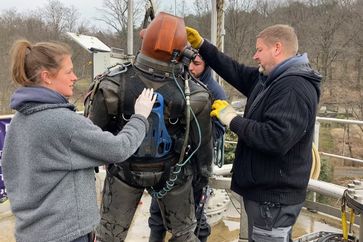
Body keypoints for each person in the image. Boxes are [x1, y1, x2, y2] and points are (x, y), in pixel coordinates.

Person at [1, 39, 156, 242]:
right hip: (67, 234)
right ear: (46, 77)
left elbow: (12, 173)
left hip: (31, 232)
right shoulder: (63, 122)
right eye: (68, 72)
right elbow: (119, 149)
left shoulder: (21, 120)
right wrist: (140, 117)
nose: (75, 77)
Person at [186, 24, 322, 241]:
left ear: (277, 48)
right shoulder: (270, 79)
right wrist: (203, 46)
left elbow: (275, 138)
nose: (255, 56)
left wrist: (232, 119)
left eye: (259, 50)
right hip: (265, 196)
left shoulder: (293, 86)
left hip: (274, 200)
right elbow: (236, 71)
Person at [86, 12, 214, 242]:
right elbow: (203, 147)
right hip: (173, 173)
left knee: (108, 237)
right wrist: (202, 177)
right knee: (185, 235)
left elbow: (92, 137)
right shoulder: (196, 93)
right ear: (182, 52)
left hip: (124, 172)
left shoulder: (111, 84)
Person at [148, 53, 227, 242]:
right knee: (157, 215)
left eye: (197, 64)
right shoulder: (176, 83)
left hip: (195, 167)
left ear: (207, 65)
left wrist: (188, 140)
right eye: (188, 63)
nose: (191, 68)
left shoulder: (214, 91)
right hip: (168, 163)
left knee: (195, 220)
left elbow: (218, 129)